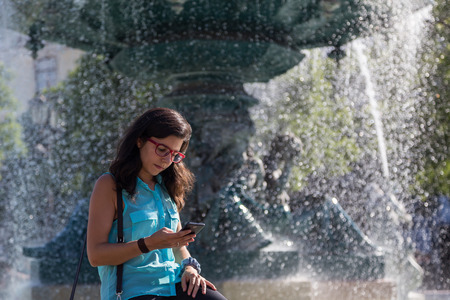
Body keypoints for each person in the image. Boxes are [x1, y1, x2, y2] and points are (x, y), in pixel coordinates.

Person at [87, 107, 227, 300]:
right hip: (134, 291)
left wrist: (189, 267)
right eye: (162, 149)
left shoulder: (167, 186)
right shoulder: (110, 185)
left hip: (174, 285)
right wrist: (148, 244)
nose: (167, 160)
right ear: (140, 140)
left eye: (175, 155)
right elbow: (96, 256)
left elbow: (177, 246)